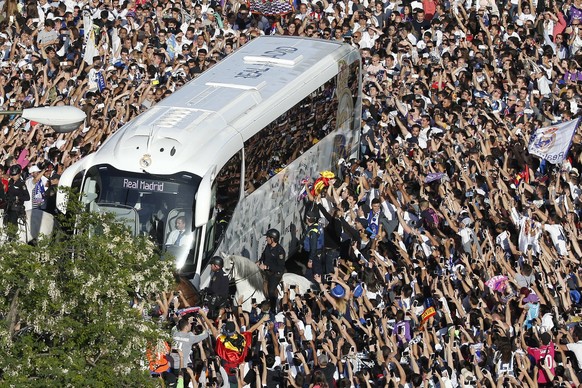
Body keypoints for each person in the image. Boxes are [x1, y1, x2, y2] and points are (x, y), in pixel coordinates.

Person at [258, 228, 286, 309]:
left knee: (270, 291)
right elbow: (263, 255)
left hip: (275, 274)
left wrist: (267, 267)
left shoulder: (280, 251)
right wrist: (259, 261)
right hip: (266, 271)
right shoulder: (268, 246)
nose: (266, 239)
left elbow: (280, 267)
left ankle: (273, 308)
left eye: (268, 237)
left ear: (272, 239)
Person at [303, 211, 324, 275]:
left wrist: (310, 260)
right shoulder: (317, 226)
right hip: (319, 253)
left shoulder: (313, 232)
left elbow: (313, 247)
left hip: (315, 255)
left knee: (313, 274)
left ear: (308, 219)